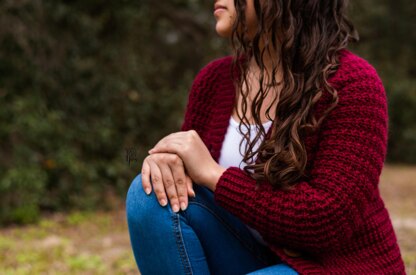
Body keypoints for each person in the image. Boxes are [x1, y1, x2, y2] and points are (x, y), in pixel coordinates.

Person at [126, 0, 406, 274]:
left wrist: (215, 175)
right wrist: (166, 166)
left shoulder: (351, 84)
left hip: (334, 267)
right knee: (146, 195)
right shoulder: (214, 81)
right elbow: (184, 187)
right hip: (246, 255)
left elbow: (328, 220)